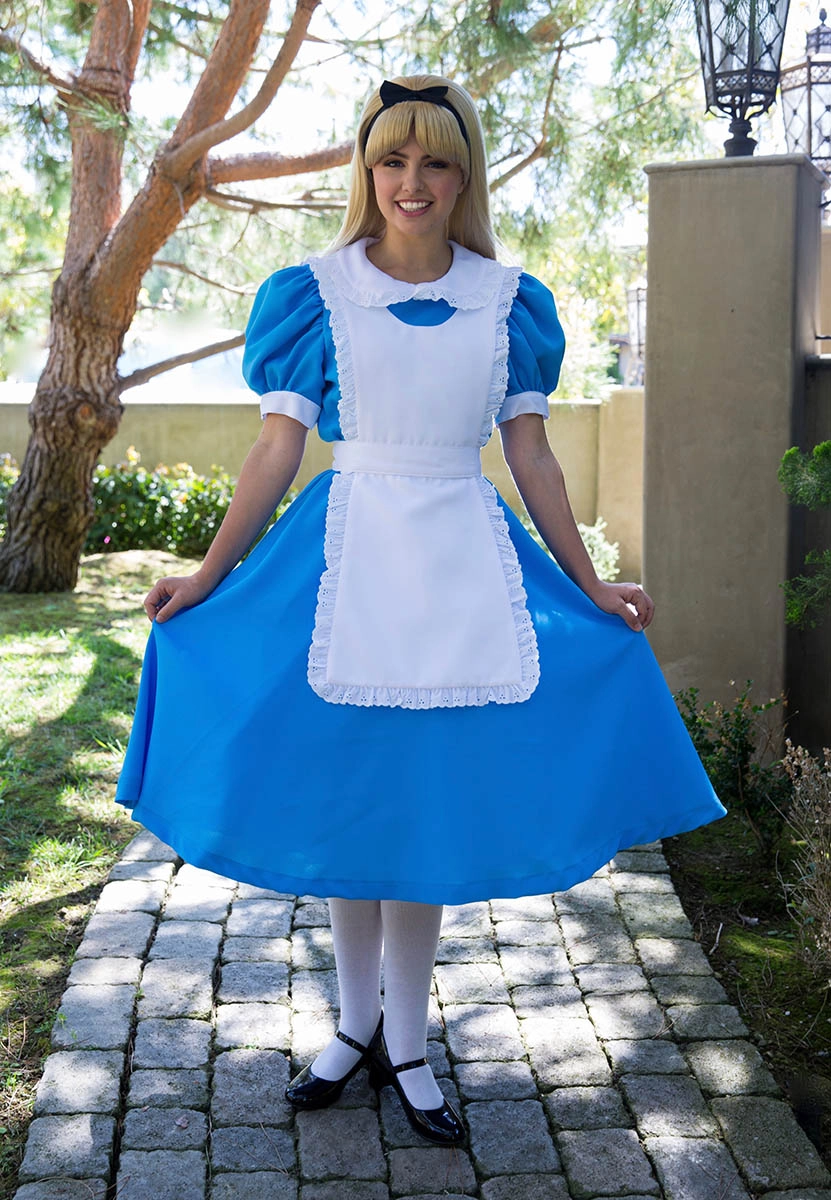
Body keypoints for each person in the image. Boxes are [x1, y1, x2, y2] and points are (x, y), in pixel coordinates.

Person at [116, 75, 726, 1147]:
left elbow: (531, 457)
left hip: (463, 567)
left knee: (423, 806)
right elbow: (275, 450)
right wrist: (207, 576)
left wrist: (590, 586)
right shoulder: (313, 294)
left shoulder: (509, 301)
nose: (412, 181)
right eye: (392, 160)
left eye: (435, 161)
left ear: (463, 175)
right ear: (367, 172)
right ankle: (353, 1026)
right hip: (340, 563)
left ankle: (406, 1040)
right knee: (357, 801)